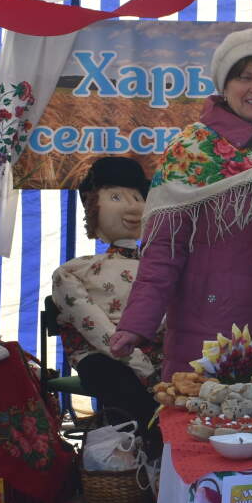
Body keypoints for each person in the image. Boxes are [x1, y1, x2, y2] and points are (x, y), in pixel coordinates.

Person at [111, 28, 252, 374]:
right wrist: (137, 324)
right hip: (211, 331)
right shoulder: (193, 149)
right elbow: (163, 247)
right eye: (244, 77)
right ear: (224, 85)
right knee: (206, 424)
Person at [52, 156, 163, 458]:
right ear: (93, 207)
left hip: (154, 355)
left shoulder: (160, 268)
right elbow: (93, 325)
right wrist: (137, 359)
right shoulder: (73, 272)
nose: (133, 207)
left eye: (138, 198)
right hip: (103, 355)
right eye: (116, 197)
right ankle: (137, 461)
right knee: (120, 383)